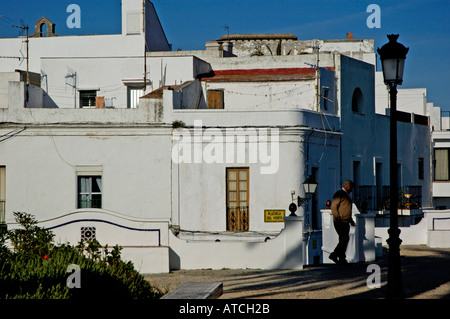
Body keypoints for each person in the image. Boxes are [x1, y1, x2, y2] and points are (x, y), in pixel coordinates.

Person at [329, 180, 356, 264]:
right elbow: (334, 207)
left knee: (342, 239)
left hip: (346, 221)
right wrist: (338, 218)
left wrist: (351, 221)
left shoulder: (346, 195)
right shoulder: (339, 194)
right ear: (347, 186)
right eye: (351, 187)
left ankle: (342, 258)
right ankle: (334, 254)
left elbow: (347, 209)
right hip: (340, 221)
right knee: (345, 238)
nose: (352, 189)